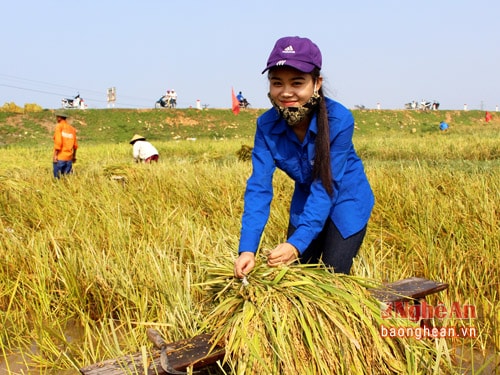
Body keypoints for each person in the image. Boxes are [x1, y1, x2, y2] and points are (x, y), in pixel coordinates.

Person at [234, 36, 374, 279]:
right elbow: (259, 188)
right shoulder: (266, 126)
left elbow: (326, 186)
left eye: (297, 83)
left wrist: (296, 244)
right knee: (294, 278)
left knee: (333, 276)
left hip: (345, 200)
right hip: (307, 201)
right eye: (277, 83)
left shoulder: (338, 120)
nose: (286, 92)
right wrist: (247, 249)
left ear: (316, 83)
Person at [53, 110, 78, 178]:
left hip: (60, 157)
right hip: (69, 158)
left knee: (57, 180)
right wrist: (74, 156)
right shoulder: (72, 129)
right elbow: (75, 145)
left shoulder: (59, 127)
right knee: (66, 179)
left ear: (59, 118)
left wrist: (55, 156)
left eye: (57, 117)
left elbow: (58, 142)